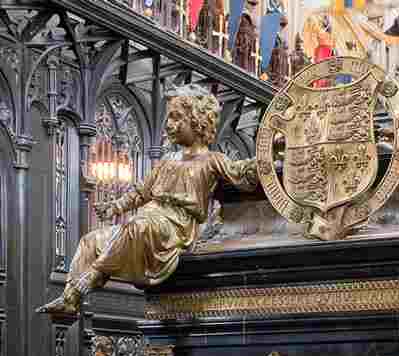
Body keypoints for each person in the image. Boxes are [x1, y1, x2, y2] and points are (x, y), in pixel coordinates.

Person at [37, 86, 258, 316]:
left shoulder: (213, 160)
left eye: (176, 117)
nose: (168, 124)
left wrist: (261, 161)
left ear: (197, 121)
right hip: (149, 220)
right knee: (90, 241)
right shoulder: (167, 160)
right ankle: (70, 298)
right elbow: (142, 191)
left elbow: (241, 173)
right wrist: (115, 206)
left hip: (176, 227)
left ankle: (93, 275)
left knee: (137, 226)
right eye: (168, 117)